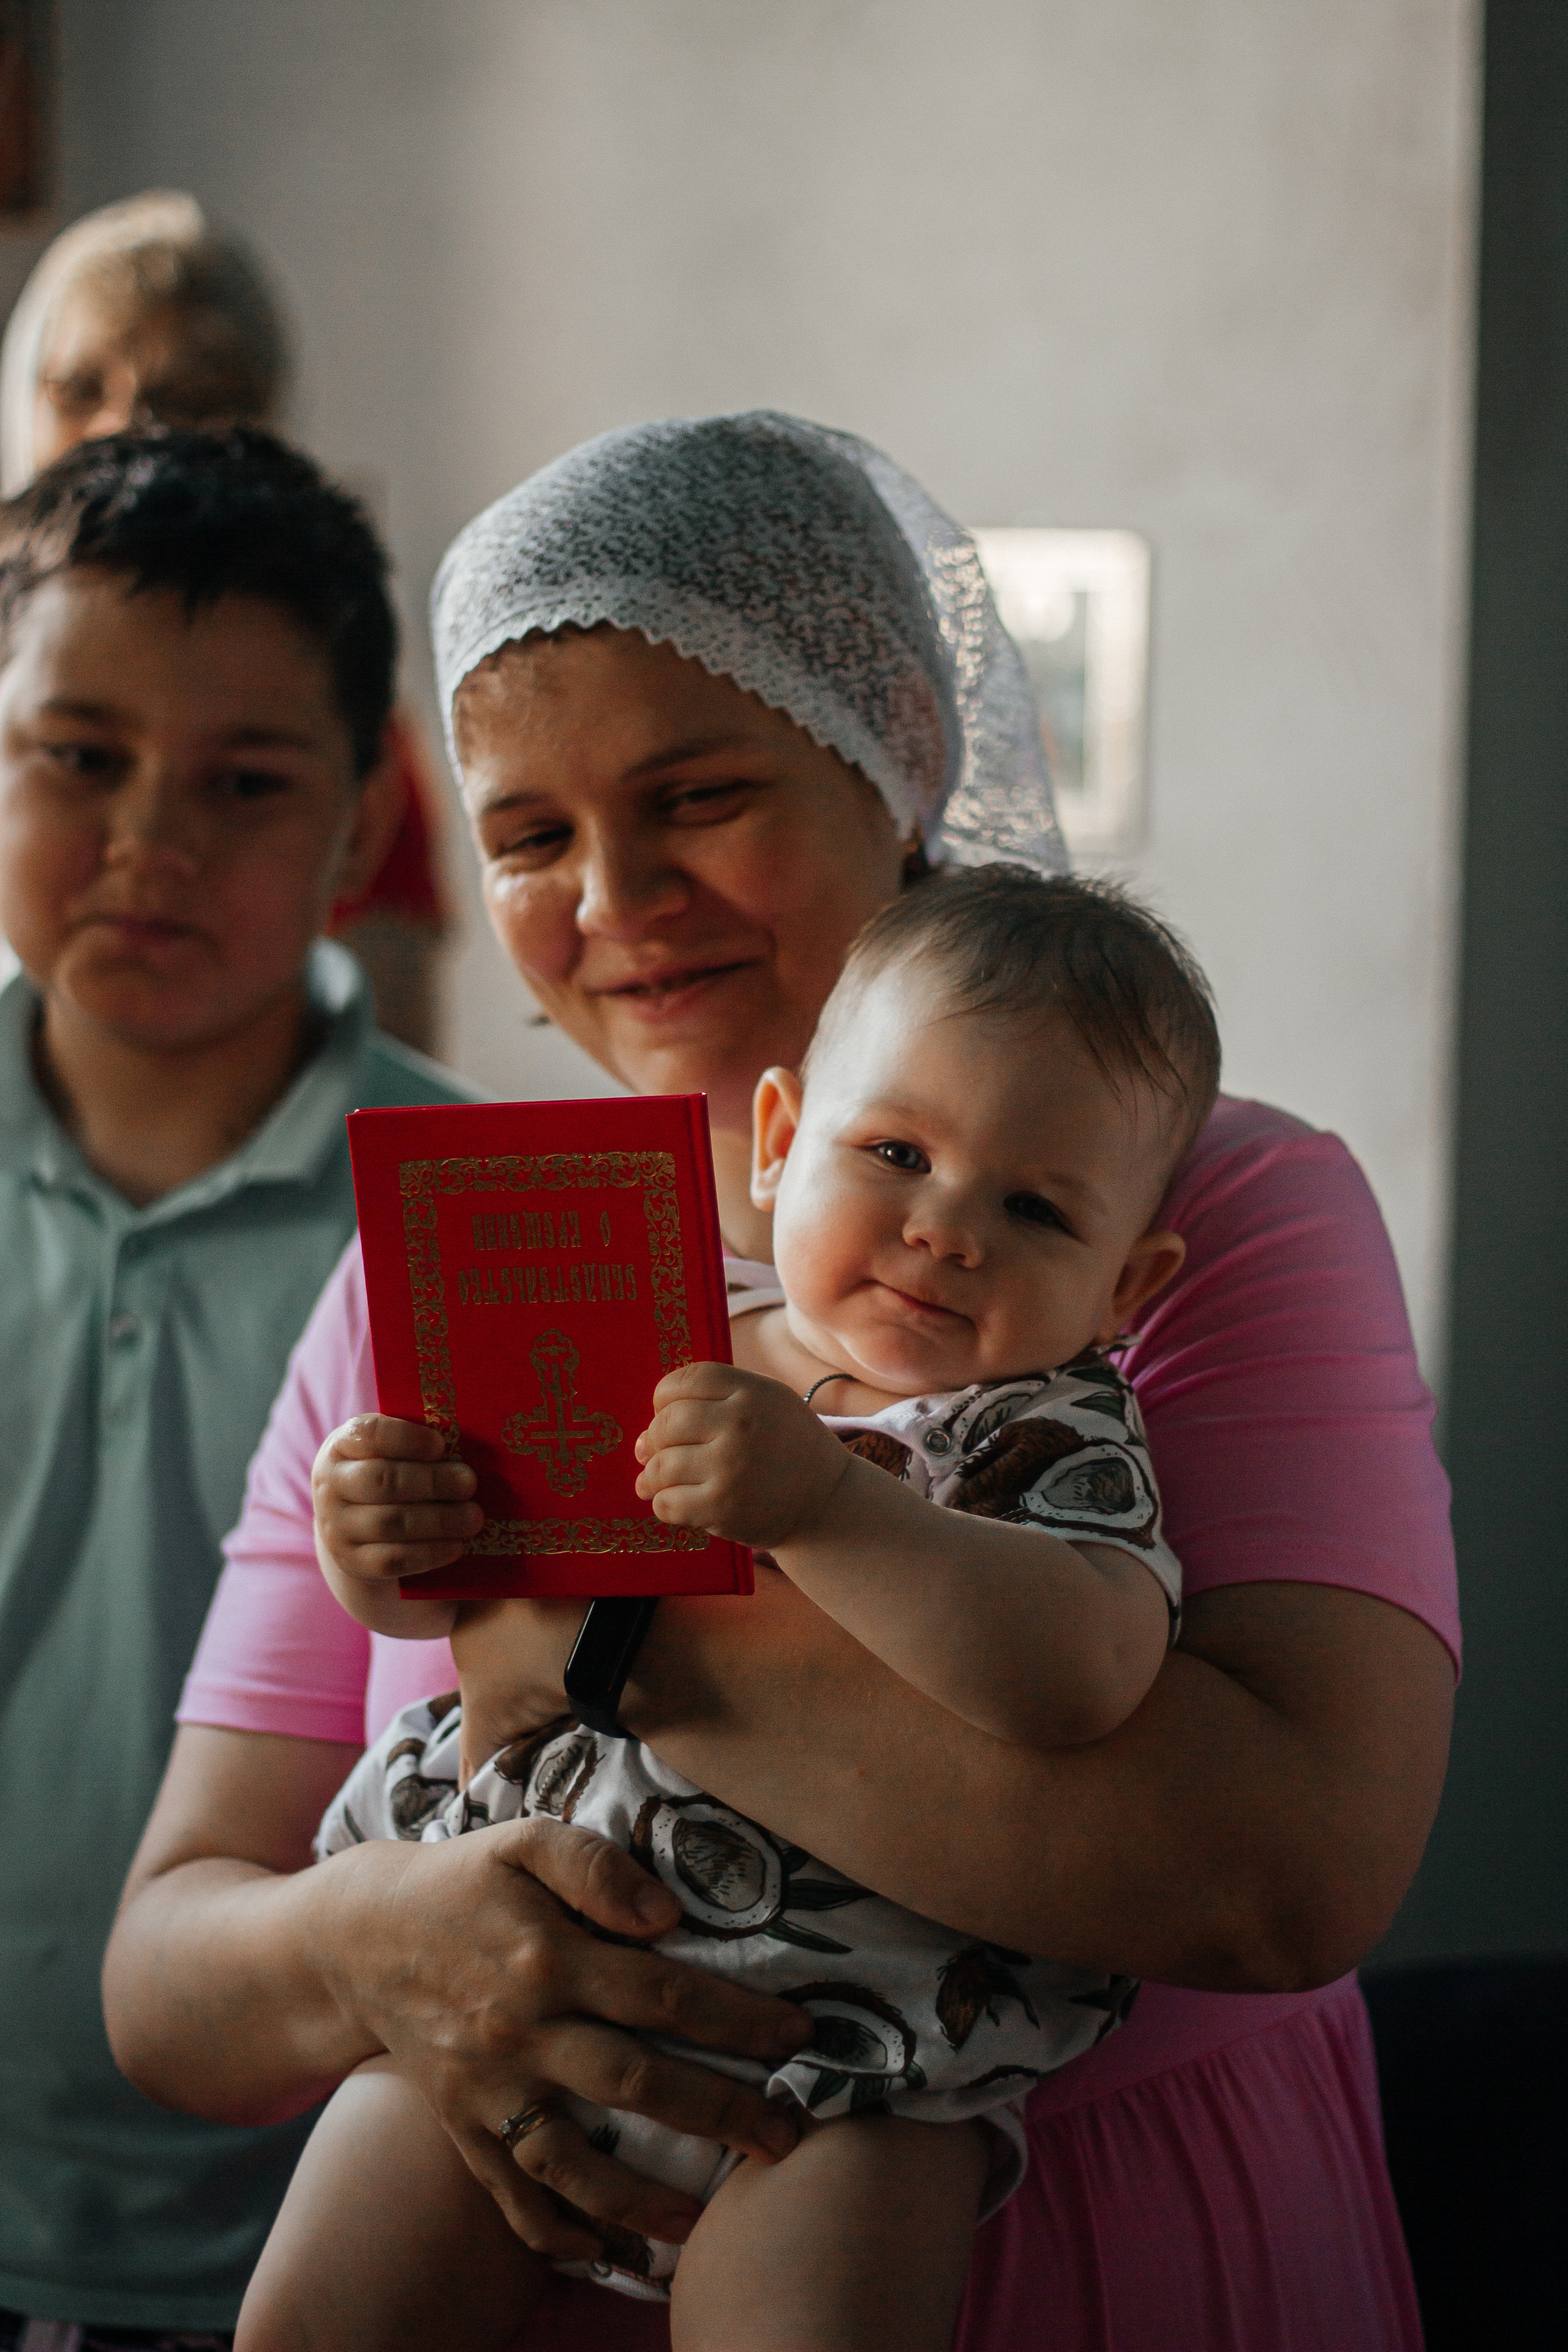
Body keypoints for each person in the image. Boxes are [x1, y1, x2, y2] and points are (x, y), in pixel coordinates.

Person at [105, 412, 1457, 2352]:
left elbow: (1280, 1877)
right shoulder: (445, 1258)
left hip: (1107, 2267)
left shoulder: (1200, 1214)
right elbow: (169, 1974)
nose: (614, 896)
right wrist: (380, 1947)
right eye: (529, 835)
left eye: (699, 794)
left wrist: (585, 1627)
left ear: (894, 748)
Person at [238, 867, 1212, 2352]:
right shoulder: (650, 1327)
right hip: (513, 1982)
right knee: (314, 2316)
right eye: (893, 1150)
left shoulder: (1045, 1431)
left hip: (850, 2068)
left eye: (1031, 1205)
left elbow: (1077, 1675)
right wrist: (378, 1540)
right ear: (777, 1142)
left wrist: (833, 1510)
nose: (944, 1228)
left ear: (1125, 1284)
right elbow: (475, 1605)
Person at [0, 426, 475, 2350]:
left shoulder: (480, 1228)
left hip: (320, 2253)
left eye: (245, 781)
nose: (147, 843)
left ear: (367, 822)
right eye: (76, 758)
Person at [0, 189, 451, 1053]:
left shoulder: (334, 737)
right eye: (80, 388)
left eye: (188, 397)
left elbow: (391, 1093)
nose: (125, 429)